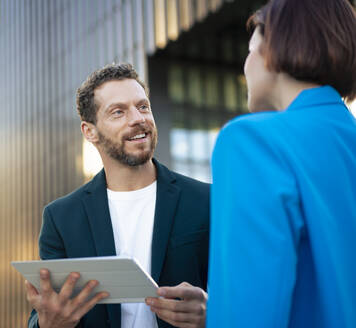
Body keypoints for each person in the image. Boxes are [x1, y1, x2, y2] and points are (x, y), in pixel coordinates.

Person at [25, 63, 210, 328]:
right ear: (90, 131)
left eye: (143, 106)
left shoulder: (205, 201)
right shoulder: (61, 218)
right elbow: (41, 315)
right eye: (118, 112)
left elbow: (249, 295)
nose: (138, 118)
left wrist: (213, 313)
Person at [207, 0, 356, 327]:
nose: (245, 65)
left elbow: (249, 314)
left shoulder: (251, 142)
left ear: (273, 50)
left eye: (249, 50)